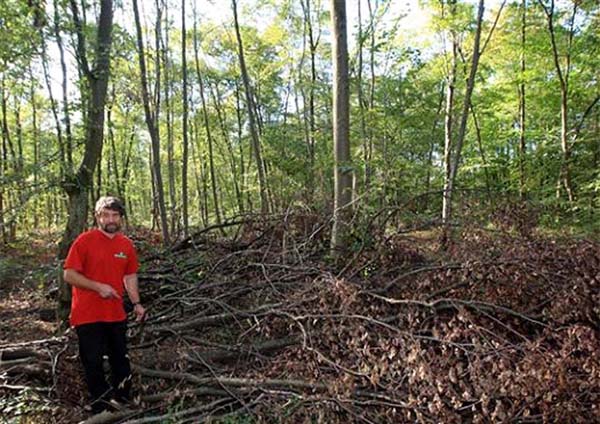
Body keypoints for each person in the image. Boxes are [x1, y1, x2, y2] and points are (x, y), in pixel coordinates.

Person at [63, 196, 145, 414]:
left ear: (120, 218)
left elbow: (130, 276)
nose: (110, 219)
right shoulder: (83, 241)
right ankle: (101, 406)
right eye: (106, 215)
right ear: (97, 217)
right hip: (87, 314)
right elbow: (69, 275)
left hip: (115, 313)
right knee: (93, 361)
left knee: (121, 358)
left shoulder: (126, 244)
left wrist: (137, 303)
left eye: (115, 215)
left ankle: (123, 399)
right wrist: (97, 287)